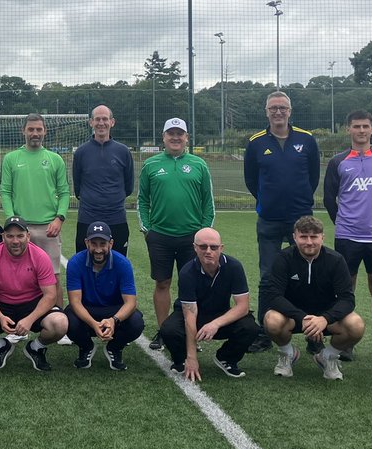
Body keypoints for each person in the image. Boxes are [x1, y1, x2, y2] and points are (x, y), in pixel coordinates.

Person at [243, 91, 320, 353]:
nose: (278, 112)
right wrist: (268, 200)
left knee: (311, 275)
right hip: (269, 219)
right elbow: (251, 180)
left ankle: (313, 333)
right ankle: (265, 332)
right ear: (266, 111)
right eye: (273, 108)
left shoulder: (307, 140)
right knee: (267, 276)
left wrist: (299, 202)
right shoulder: (255, 143)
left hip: (302, 219)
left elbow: (313, 177)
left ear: (290, 111)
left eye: (282, 108)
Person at [136, 117, 214, 351]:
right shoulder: (151, 165)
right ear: (164, 137)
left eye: (180, 133)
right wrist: (148, 229)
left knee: (190, 286)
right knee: (163, 283)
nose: (176, 137)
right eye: (171, 133)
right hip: (160, 235)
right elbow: (142, 200)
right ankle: (165, 332)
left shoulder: (199, 164)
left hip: (192, 238)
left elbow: (207, 203)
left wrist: (203, 234)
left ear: (187, 137)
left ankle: (189, 332)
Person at [323, 109, 372, 359]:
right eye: (356, 126)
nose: (361, 131)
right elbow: (328, 198)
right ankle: (346, 343)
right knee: (346, 290)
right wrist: (344, 222)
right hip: (347, 236)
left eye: (365, 126)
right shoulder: (338, 162)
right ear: (348, 130)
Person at [263, 216, 364, 381]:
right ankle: (288, 353)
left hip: (326, 318)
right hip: (293, 318)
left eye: (314, 237)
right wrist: (302, 317)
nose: (309, 242)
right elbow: (273, 296)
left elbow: (347, 299)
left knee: (356, 325)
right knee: (271, 320)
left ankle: (328, 356)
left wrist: (325, 318)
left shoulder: (336, 260)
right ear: (294, 237)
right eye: (303, 236)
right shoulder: (284, 258)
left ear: (322, 237)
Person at [0, 217, 68, 372]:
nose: (15, 241)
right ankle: (0, 346)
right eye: (10, 236)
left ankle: (36, 348)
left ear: (28, 236)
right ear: (3, 236)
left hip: (32, 304)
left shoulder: (40, 256)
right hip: (1, 304)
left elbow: (50, 295)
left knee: (60, 323)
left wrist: (29, 319)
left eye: (20, 236)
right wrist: (0, 316)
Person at [158, 227, 259, 380]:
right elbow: (190, 315)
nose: (208, 251)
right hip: (191, 315)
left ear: (221, 248)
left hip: (219, 313)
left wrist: (215, 324)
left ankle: (226, 358)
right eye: (203, 247)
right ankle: (181, 359)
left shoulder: (234, 267)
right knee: (169, 330)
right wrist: (192, 357)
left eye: (214, 247)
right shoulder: (187, 272)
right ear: (195, 248)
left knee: (250, 327)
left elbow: (243, 306)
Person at [0, 113, 70, 306]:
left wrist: (59, 218)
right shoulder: (11, 158)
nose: (35, 133)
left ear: (45, 131)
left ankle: (57, 321)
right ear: (24, 131)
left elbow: (64, 193)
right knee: (17, 279)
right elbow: (5, 191)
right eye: (31, 129)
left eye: (39, 129)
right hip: (20, 230)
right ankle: (16, 325)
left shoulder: (55, 159)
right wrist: (13, 220)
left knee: (53, 278)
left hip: (49, 228)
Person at [64, 222, 145, 371]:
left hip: (113, 310)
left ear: (111, 244)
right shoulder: (75, 262)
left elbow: (131, 302)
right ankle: (86, 347)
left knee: (136, 322)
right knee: (67, 319)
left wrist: (113, 320)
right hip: (87, 308)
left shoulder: (123, 263)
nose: (98, 249)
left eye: (103, 243)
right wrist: (94, 324)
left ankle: (114, 348)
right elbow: (75, 302)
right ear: (86, 243)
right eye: (94, 244)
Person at [72, 105, 134, 256]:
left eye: (105, 119)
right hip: (87, 218)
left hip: (116, 218)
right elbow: (78, 187)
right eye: (97, 119)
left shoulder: (123, 151)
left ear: (112, 122)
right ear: (90, 122)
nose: (101, 123)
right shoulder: (81, 152)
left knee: (117, 264)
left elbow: (129, 186)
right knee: (85, 265)